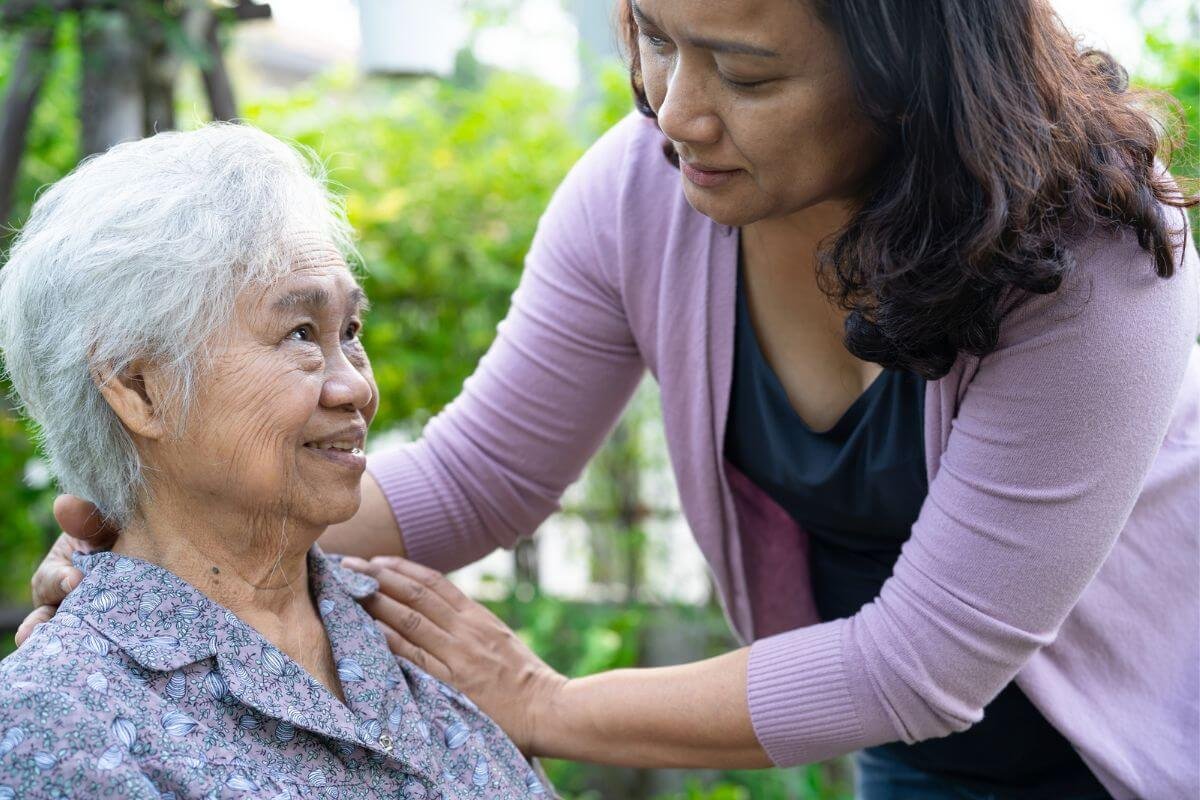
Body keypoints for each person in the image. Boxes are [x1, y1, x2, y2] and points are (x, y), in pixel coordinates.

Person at [21, 0, 1200, 798]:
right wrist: (158, 545)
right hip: (920, 754)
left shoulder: (1091, 249)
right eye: (654, 36)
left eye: (746, 72)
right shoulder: (647, 192)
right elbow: (477, 477)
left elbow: (921, 659)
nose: (676, 110)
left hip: (1156, 741)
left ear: (906, 72)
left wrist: (544, 702)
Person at [0, 124, 551, 799]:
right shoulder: (60, 722)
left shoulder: (424, 639)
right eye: (299, 334)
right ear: (139, 389)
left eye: (351, 331)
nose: (357, 388)